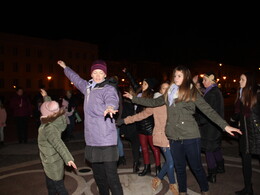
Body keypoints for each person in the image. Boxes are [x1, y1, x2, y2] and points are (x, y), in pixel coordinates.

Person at [123, 65, 242, 195]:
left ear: (186, 77)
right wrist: (134, 98)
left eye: (179, 76)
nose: (176, 78)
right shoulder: (169, 93)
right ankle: (182, 192)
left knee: (196, 167)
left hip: (190, 135)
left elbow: (208, 110)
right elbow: (153, 102)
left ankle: (205, 190)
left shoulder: (191, 92)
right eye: (175, 75)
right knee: (179, 168)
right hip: (173, 136)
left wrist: (225, 125)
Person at [57, 60, 123, 195]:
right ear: (91, 74)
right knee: (99, 177)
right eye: (95, 72)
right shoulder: (87, 87)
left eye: (101, 72)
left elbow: (112, 99)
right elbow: (76, 79)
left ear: (105, 74)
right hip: (92, 140)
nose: (97, 75)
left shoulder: (108, 88)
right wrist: (65, 67)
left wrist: (110, 107)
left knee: (112, 177)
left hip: (106, 140)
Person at [118, 82, 178, 194]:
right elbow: (141, 115)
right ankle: (173, 184)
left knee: (170, 161)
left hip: (174, 136)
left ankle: (158, 178)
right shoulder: (156, 104)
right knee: (170, 162)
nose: (166, 90)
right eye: (163, 88)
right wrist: (124, 121)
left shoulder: (174, 102)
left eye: (168, 88)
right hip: (162, 136)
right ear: (160, 91)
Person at [122, 68, 161, 176]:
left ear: (149, 85)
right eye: (142, 83)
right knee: (143, 148)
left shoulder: (153, 96)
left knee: (154, 148)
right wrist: (127, 72)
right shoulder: (139, 94)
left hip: (150, 126)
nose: (142, 85)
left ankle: (158, 168)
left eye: (144, 83)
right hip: (140, 125)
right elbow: (134, 83)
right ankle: (147, 167)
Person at [38, 89, 77, 195]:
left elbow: (58, 143)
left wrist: (68, 158)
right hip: (51, 160)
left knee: (59, 188)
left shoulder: (49, 127)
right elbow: (50, 107)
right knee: (50, 186)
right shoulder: (55, 118)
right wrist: (46, 96)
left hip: (52, 163)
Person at [231, 72, 260, 195]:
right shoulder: (241, 95)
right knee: (246, 163)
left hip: (257, 134)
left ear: (249, 81)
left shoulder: (257, 95)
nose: (239, 81)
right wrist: (233, 120)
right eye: (240, 79)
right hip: (245, 135)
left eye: (242, 79)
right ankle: (248, 188)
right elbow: (239, 114)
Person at [197, 72, 226, 183]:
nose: (203, 82)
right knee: (216, 148)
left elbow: (207, 112)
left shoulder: (211, 94)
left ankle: (212, 174)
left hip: (209, 128)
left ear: (211, 81)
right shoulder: (215, 91)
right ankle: (220, 167)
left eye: (205, 80)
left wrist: (199, 121)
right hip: (215, 127)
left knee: (209, 150)